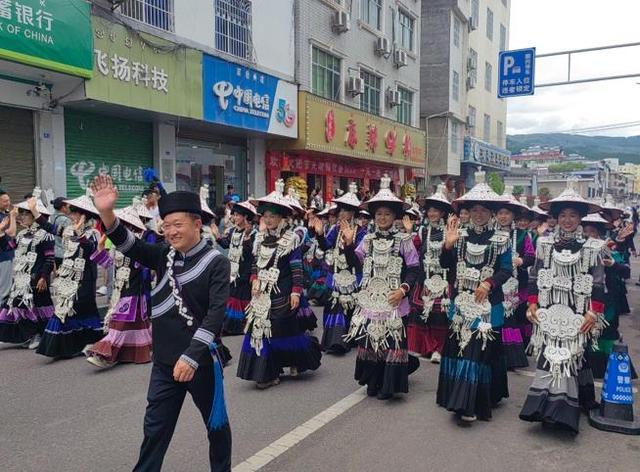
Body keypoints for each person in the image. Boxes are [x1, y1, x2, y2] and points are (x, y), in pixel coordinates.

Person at [92, 175, 232, 472]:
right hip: (165, 363)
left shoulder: (216, 261)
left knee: (216, 427)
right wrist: (106, 212)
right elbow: (129, 245)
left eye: (178, 225)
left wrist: (191, 356)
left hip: (200, 362)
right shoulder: (163, 255)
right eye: (166, 226)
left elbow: (216, 313)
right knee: (155, 430)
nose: (171, 232)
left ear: (197, 224)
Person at [520, 179, 606, 433]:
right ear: (556, 218)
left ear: (581, 218)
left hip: (578, 310)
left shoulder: (593, 247)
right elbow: (535, 276)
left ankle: (569, 407)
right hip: (550, 308)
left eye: (573, 215)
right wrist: (532, 303)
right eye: (563, 215)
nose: (568, 220)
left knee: (573, 354)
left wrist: (594, 311)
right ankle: (546, 408)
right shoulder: (544, 243)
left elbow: (599, 283)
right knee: (550, 354)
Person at [436, 171, 511, 424]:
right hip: (462, 301)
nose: (479, 214)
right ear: (468, 211)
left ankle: (470, 403)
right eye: (474, 209)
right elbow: (447, 265)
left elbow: (506, 269)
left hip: (488, 304)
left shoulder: (502, 238)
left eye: (484, 210)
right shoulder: (460, 236)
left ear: (492, 213)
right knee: (460, 346)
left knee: (479, 350)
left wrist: (488, 283)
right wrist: (447, 245)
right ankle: (458, 398)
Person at [237, 179, 322, 389]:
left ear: (282, 218)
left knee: (283, 329)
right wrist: (254, 279)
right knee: (258, 329)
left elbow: (296, 268)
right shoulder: (259, 239)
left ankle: (293, 360)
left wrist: (295, 292)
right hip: (261, 292)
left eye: (273, 216)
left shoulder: (291, 239)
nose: (269, 219)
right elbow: (256, 264)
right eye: (265, 216)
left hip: (283, 290)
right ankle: (267, 372)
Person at [344, 175, 420, 400]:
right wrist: (348, 245)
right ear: (374, 217)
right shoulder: (366, 240)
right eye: (379, 214)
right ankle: (373, 380)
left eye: (387, 214)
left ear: (395, 216)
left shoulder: (404, 240)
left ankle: (389, 385)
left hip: (395, 299)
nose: (383, 218)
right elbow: (354, 264)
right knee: (371, 340)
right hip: (371, 299)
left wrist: (403, 290)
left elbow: (415, 269)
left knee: (391, 341)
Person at [32, 190, 104, 358]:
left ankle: (87, 341)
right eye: (71, 212)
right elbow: (48, 227)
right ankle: (65, 347)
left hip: (85, 277)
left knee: (82, 308)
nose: (72, 216)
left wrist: (80, 233)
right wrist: (35, 210)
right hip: (67, 277)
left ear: (84, 215)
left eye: (75, 213)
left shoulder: (93, 233)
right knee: (64, 308)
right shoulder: (67, 229)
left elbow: (91, 251)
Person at [85, 205, 152, 368]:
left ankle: (105, 355)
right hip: (119, 288)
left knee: (118, 323)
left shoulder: (138, 242)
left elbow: (144, 265)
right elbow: (108, 263)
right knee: (135, 324)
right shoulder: (116, 244)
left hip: (134, 288)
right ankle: (136, 351)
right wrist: (101, 246)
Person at [309, 182, 366, 354]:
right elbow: (326, 245)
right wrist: (319, 234)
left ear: (353, 213)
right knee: (335, 304)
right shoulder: (335, 229)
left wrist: (350, 242)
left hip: (353, 273)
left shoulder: (361, 231)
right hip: (335, 273)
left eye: (345, 210)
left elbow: (359, 256)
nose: (341, 213)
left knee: (351, 305)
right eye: (340, 210)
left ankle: (351, 337)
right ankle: (335, 340)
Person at [0, 189, 55, 349]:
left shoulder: (46, 235)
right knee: (17, 305)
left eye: (25, 214)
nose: (22, 217)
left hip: (37, 278)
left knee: (37, 307)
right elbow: (9, 246)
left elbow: (49, 258)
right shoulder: (22, 234)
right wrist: (2, 232)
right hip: (21, 278)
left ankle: (37, 335)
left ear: (34, 216)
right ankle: (27, 335)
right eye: (22, 213)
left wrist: (44, 277)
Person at [407, 184, 452, 363]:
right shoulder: (422, 230)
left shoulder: (449, 231)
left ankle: (438, 349)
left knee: (439, 315)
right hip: (424, 279)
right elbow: (414, 249)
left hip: (443, 279)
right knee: (422, 313)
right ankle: (423, 347)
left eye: (436, 211)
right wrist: (410, 233)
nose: (432, 214)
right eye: (430, 211)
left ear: (443, 213)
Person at [495, 188, 536, 370]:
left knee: (513, 317)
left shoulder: (522, 235)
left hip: (516, 282)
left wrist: (521, 260)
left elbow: (531, 256)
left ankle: (512, 357)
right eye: (500, 213)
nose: (503, 217)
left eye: (507, 213)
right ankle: (497, 355)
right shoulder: (491, 233)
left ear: (513, 215)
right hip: (496, 282)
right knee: (498, 317)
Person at [211, 200, 258, 335]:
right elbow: (226, 244)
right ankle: (229, 326)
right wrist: (217, 236)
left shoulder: (254, 234)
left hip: (246, 270)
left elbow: (253, 252)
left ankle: (239, 326)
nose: (235, 218)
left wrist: (248, 238)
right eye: (234, 215)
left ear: (245, 217)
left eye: (238, 215)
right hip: (232, 270)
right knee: (231, 296)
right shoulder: (232, 231)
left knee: (240, 297)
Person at [0, 190, 15, 304]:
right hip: (3, 257)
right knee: (4, 291)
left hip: (8, 255)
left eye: (9, 200)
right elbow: (11, 233)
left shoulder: (4, 214)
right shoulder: (4, 216)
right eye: (5, 201)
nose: (8, 203)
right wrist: (12, 217)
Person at [50, 197, 72, 269]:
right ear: (63, 207)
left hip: (54, 251)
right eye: (68, 206)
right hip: (63, 253)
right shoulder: (65, 220)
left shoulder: (51, 217)